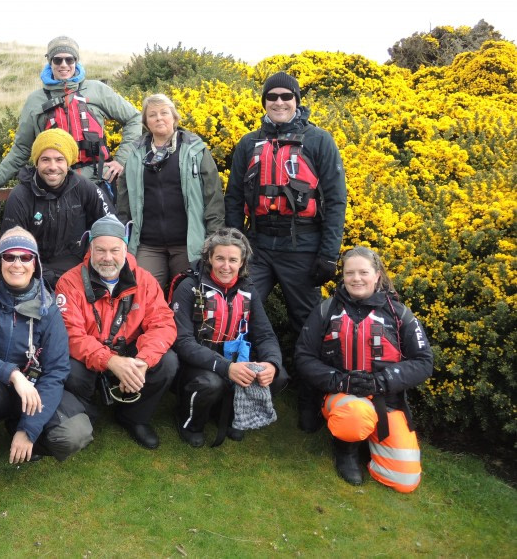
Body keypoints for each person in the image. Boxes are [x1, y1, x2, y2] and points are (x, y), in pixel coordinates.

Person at [0, 227, 93, 527]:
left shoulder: (49, 307)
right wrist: (11, 374)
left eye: (25, 257)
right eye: (9, 257)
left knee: (75, 434)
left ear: (35, 263)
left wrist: (30, 429)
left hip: (33, 392)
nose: (17, 264)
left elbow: (56, 371)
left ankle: (22, 435)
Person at [224, 71, 347, 431]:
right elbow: (234, 198)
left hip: (303, 245)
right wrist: (235, 244)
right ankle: (239, 398)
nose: (279, 102)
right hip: (258, 245)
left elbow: (336, 200)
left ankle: (311, 400)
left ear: (297, 100)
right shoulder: (249, 143)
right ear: (263, 102)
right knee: (238, 317)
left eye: (286, 96)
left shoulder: (320, 141)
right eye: (271, 97)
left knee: (309, 327)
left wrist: (328, 254)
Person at [295, 246, 432, 492]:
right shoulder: (327, 310)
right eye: (349, 273)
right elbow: (304, 356)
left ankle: (371, 445)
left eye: (363, 272)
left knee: (405, 481)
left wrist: (382, 381)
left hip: (386, 400)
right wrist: (340, 381)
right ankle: (345, 449)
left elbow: (423, 361)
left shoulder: (399, 314)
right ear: (343, 276)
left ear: (377, 275)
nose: (356, 278)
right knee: (355, 416)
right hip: (341, 395)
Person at [56, 214, 178, 450]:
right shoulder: (69, 282)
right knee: (70, 370)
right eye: (100, 250)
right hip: (90, 355)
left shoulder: (145, 280)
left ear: (125, 249)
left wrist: (143, 361)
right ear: (90, 248)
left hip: (129, 349)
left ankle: (134, 416)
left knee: (168, 362)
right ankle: (88, 411)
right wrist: (110, 361)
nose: (107, 258)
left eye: (115, 250)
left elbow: (163, 324)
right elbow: (71, 335)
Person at [170, 228, 288, 447]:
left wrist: (272, 364)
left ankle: (232, 412)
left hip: (235, 357)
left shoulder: (248, 290)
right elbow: (182, 342)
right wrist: (226, 368)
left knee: (278, 376)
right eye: (220, 258)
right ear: (209, 259)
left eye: (233, 260)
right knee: (210, 383)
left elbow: (265, 335)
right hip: (196, 362)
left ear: (242, 262)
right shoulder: (188, 287)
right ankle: (190, 421)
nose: (226, 266)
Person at [0, 36, 142, 192]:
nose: (64, 64)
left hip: (99, 182)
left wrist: (121, 160)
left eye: (69, 59)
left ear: (76, 62)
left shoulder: (97, 89)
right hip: (54, 187)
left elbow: (135, 118)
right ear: (50, 62)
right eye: (57, 60)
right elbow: (22, 148)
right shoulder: (35, 101)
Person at [117, 93, 225, 292]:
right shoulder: (134, 154)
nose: (159, 118)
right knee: (141, 294)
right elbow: (123, 202)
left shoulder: (196, 149)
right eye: (152, 115)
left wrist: (213, 239)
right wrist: (121, 237)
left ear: (174, 118)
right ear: (146, 122)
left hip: (187, 243)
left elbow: (213, 197)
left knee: (188, 296)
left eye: (164, 113)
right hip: (147, 244)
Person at [0, 128, 113, 285]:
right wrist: (50, 279)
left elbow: (111, 227)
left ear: (68, 163)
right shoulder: (20, 196)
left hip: (81, 272)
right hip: (35, 274)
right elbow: (11, 246)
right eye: (45, 159)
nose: (53, 167)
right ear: (37, 162)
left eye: (59, 159)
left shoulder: (85, 188)